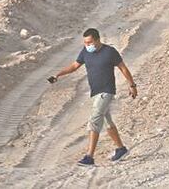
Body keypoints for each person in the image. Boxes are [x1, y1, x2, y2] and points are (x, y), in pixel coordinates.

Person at [47, 28, 137, 166]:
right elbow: (74, 66)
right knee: (107, 121)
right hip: (95, 92)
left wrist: (132, 85)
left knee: (94, 120)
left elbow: (123, 68)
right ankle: (121, 149)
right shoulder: (85, 52)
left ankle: (89, 157)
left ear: (97, 40)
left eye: (89, 42)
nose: (87, 45)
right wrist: (58, 75)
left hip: (106, 91)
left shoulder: (109, 52)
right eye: (85, 43)